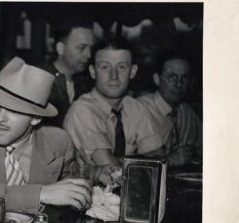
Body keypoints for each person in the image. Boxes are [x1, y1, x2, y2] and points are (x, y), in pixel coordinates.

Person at [0, 56, 92, 214]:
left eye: (14, 110)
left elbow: (71, 189)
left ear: (36, 118)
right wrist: (40, 194)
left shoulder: (59, 142)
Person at [63, 37, 164, 169]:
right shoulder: (82, 111)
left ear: (132, 72)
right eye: (105, 67)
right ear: (93, 72)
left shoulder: (134, 107)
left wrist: (123, 162)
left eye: (121, 67)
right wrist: (140, 161)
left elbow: (158, 159)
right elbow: (112, 170)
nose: (114, 76)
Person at [137, 50, 202, 166]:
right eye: (172, 77)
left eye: (185, 78)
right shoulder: (138, 110)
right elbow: (124, 163)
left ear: (191, 83)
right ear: (157, 79)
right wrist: (172, 160)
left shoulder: (188, 113)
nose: (178, 84)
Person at [42, 18, 95, 127]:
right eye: (82, 48)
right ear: (61, 48)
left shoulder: (85, 85)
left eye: (91, 49)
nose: (89, 55)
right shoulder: (41, 81)